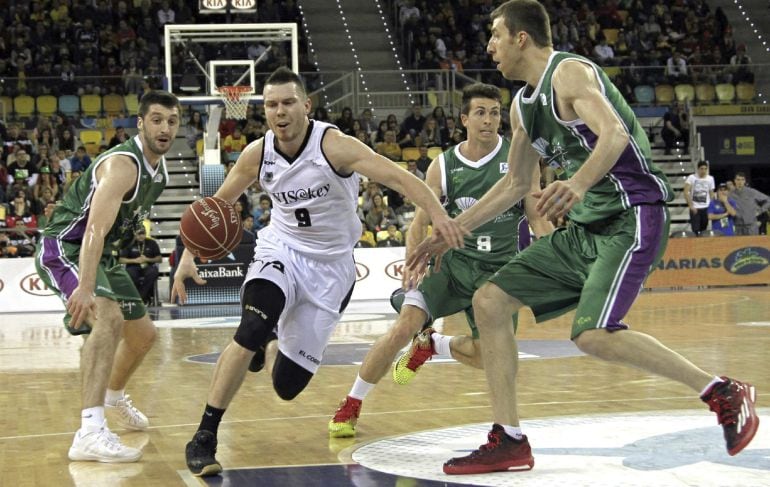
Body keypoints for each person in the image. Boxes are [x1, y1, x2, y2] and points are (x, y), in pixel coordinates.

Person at [408, 0, 758, 475]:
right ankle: (509, 439)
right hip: (586, 229)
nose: (488, 46)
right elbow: (514, 184)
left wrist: (576, 183)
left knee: (592, 335)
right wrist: (450, 231)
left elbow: (612, 134)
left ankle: (721, 391)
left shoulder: (568, 73)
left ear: (521, 38)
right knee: (489, 302)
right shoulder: (522, 106)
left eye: (495, 35)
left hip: (631, 217)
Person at [171, 67, 466, 477]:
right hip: (281, 250)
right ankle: (204, 435)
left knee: (286, 386)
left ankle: (270, 342)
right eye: (271, 104)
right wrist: (188, 254)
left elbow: (399, 177)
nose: (280, 111)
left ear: (306, 106)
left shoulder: (335, 146)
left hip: (330, 269)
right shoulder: (258, 153)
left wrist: (438, 216)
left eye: (288, 102)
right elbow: (215, 205)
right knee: (250, 328)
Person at [329, 82, 552, 438]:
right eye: (480, 112)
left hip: (498, 274)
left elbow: (538, 216)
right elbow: (419, 222)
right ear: (464, 118)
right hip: (450, 267)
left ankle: (433, 344)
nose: (489, 120)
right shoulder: (444, 166)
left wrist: (554, 251)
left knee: (492, 359)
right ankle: (351, 404)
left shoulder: (519, 160)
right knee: (403, 326)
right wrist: (411, 269)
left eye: (495, 113)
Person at [34, 90, 181, 463]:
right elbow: (94, 232)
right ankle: (89, 431)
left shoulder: (158, 171)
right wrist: (85, 287)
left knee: (144, 336)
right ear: (141, 123)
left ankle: (113, 394)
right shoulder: (122, 165)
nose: (165, 127)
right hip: (68, 247)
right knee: (109, 319)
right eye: (157, 119)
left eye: (172, 121)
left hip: (107, 257)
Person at [119, 227, 162, 305]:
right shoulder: (129, 243)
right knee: (130, 274)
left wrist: (147, 259)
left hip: (148, 266)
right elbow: (121, 260)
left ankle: (140, 297)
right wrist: (134, 260)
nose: (141, 236)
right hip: (133, 266)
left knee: (153, 273)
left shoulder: (152, 243)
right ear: (135, 234)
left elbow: (159, 259)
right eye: (139, 234)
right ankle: (143, 297)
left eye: (143, 234)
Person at [684, 161, 715, 236]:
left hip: (706, 207)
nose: (703, 171)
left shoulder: (710, 179)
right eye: (701, 169)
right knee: (695, 230)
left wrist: (711, 206)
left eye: (705, 169)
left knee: (704, 230)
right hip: (695, 207)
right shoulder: (692, 178)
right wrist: (691, 206)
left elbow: (711, 193)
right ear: (698, 169)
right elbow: (686, 192)